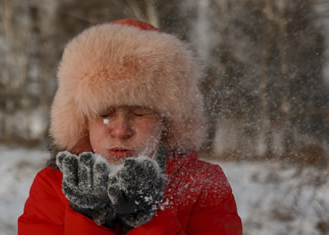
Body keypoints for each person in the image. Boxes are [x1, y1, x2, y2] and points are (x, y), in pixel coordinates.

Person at [18, 18, 242, 234]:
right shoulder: (53, 187)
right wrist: (90, 218)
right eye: (105, 113)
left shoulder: (203, 185)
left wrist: (148, 221)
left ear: (167, 121)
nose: (121, 131)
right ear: (82, 121)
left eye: (139, 113)